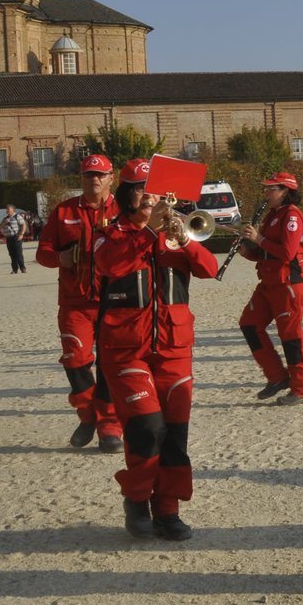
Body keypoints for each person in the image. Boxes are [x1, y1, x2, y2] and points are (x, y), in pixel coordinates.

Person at [93, 159, 219, 540]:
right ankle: (136, 498)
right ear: (127, 196)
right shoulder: (109, 235)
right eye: (140, 190)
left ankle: (168, 510)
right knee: (148, 429)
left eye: (154, 191)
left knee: (175, 437)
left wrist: (182, 238)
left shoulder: (176, 234)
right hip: (126, 350)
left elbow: (210, 269)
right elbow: (110, 264)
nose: (149, 198)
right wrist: (148, 230)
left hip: (174, 350)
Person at [34, 154, 124, 452]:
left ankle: (110, 427)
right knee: (75, 359)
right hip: (75, 301)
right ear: (81, 178)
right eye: (88, 175)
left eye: (100, 175)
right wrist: (58, 257)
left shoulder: (125, 210)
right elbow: (42, 252)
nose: (94, 180)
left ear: (112, 177)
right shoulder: (63, 212)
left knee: (111, 364)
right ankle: (89, 415)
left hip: (116, 300)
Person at [236, 172, 303, 404]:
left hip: (288, 283)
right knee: (249, 324)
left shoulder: (292, 216)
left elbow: (288, 253)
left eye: (271, 189)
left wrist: (258, 239)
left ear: (285, 191)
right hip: (269, 283)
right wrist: (247, 251)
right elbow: (268, 252)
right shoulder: (273, 215)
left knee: (291, 336)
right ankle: (277, 376)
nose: (266, 193)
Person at [1, 204, 27, 274]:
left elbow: (24, 225)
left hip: (16, 237)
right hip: (9, 238)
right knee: (12, 254)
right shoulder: (5, 219)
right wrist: (4, 223)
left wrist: (21, 234)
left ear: (13, 210)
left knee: (18, 253)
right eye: (6, 209)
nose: (7, 211)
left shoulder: (17, 216)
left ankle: (23, 268)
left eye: (8, 209)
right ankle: (15, 269)